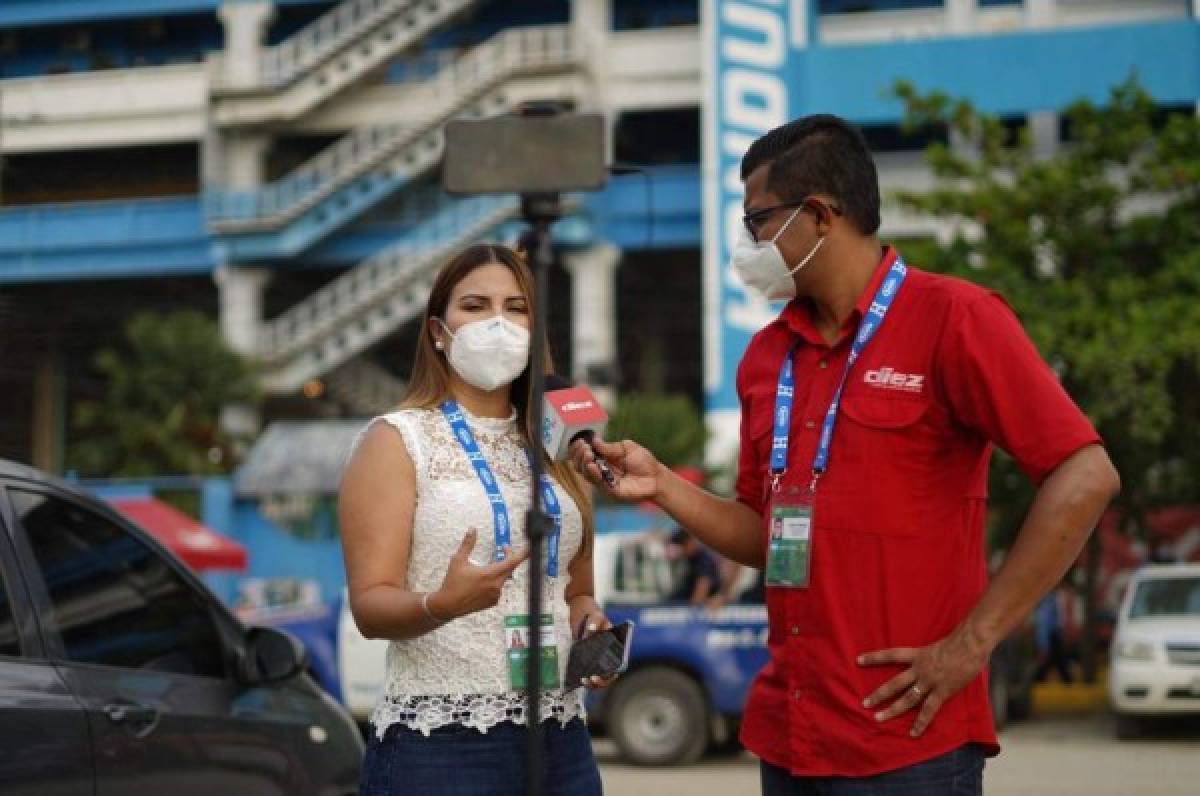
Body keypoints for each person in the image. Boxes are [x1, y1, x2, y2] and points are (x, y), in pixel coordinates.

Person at [571, 115, 1121, 794]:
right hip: (791, 736)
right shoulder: (767, 358)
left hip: (909, 742)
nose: (749, 244)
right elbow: (766, 536)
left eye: (758, 222)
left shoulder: (955, 318)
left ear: (820, 216)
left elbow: (1086, 474)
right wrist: (661, 485)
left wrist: (972, 643)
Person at [340, 243, 611, 796]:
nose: (498, 323)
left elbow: (577, 594)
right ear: (439, 330)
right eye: (475, 305)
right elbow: (370, 605)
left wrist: (591, 630)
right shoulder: (397, 440)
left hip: (559, 735)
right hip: (442, 741)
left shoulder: (561, 447)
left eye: (516, 308)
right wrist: (440, 604)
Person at [665, 528, 722, 605]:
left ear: (689, 543)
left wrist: (692, 610)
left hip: (699, 606)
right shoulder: (690, 559)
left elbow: (703, 586)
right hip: (684, 599)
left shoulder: (703, 559)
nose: (682, 550)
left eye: (682, 546)